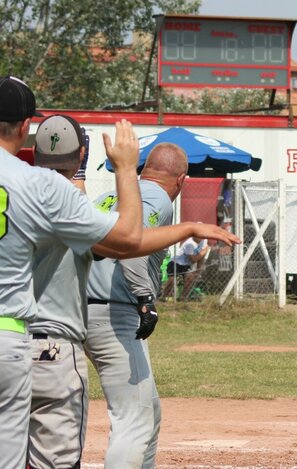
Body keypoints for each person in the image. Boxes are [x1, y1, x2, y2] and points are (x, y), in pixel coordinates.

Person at [0, 76, 144, 469]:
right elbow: (128, 238)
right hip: (33, 343)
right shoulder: (41, 189)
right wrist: (126, 169)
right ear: (24, 128)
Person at [85, 142, 241, 469]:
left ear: (143, 170)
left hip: (80, 309)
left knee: (148, 410)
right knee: (134, 419)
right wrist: (145, 298)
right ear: (181, 181)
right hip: (113, 312)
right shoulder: (157, 197)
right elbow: (133, 243)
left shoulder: (109, 197)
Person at [161, 235, 210, 299]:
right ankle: (164, 296)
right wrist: (204, 251)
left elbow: (201, 258)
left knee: (190, 278)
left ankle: (183, 298)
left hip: (186, 265)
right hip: (176, 263)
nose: (201, 236)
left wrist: (198, 271)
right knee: (172, 280)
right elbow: (193, 259)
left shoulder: (204, 241)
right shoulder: (189, 243)